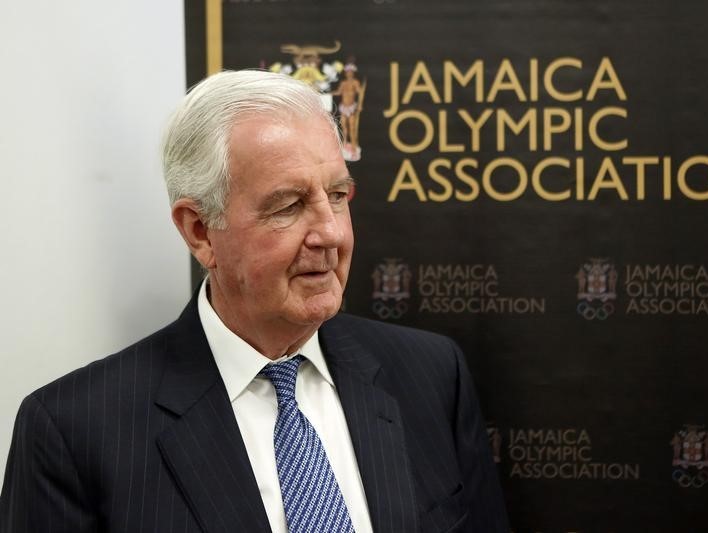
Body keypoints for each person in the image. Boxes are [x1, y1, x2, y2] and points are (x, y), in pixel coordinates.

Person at [0, 70, 508, 532]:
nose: (330, 234)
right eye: (289, 205)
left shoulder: (431, 373)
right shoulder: (73, 431)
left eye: (336, 196)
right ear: (200, 231)